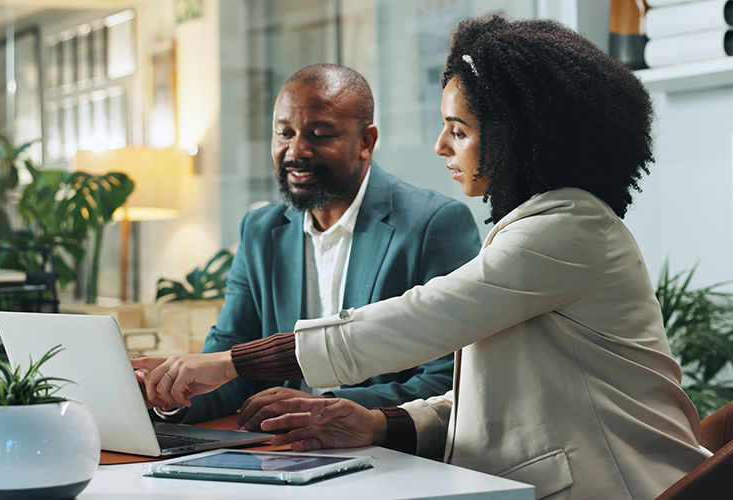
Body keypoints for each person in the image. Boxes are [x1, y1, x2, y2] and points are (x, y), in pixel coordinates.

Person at [133, 15, 711, 499]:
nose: (440, 147)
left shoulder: (570, 229)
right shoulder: (536, 226)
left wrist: (231, 363)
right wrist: (379, 423)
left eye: (458, 131)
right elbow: (488, 401)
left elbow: (413, 321)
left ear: (516, 136)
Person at [142, 63, 481, 424]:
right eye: (284, 133)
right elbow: (227, 365)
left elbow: (451, 378)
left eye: (319, 135)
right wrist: (169, 395)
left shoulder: (434, 224)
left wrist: (324, 406)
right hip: (278, 453)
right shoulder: (260, 230)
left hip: (386, 453)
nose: (296, 150)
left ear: (366, 142)